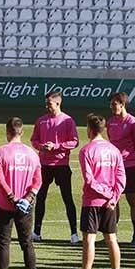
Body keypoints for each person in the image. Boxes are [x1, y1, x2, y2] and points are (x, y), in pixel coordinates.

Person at [67, 114, 125, 269]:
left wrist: (107, 194)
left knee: (89, 240)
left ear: (89, 130)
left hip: (93, 201)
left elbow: (89, 180)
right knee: (112, 239)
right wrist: (114, 197)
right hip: (110, 203)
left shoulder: (87, 151)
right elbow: (121, 177)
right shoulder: (114, 150)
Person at [0, 118, 42, 269]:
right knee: (27, 243)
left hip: (5, 204)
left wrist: (11, 196)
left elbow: (0, 178)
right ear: (22, 132)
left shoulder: (0, 152)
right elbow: (38, 180)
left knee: (4, 243)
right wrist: (28, 197)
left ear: (7, 131)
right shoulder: (32, 154)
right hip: (25, 206)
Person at [30, 90, 80, 244]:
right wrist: (41, 147)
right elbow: (34, 140)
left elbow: (74, 141)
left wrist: (57, 146)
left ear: (58, 103)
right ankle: (37, 232)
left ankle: (74, 233)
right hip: (44, 165)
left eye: (49, 104)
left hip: (61, 165)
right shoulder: (41, 121)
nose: (47, 107)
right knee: (41, 198)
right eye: (46, 104)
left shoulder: (67, 121)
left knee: (67, 199)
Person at [106, 92, 135, 245]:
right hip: (112, 166)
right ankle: (112, 232)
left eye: (114, 104)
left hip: (127, 165)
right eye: (110, 104)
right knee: (112, 198)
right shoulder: (111, 122)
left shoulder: (134, 124)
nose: (111, 107)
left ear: (122, 104)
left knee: (131, 198)